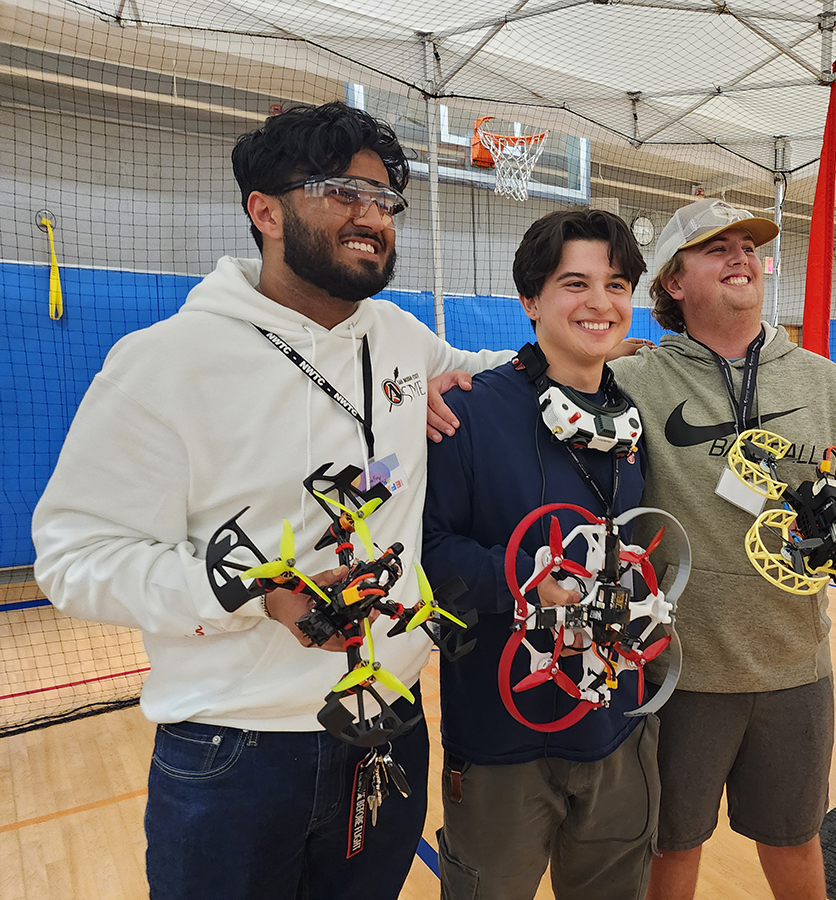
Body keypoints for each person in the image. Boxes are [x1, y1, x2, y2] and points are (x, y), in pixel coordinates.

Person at [31, 101, 509, 900]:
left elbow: (500, 371)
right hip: (237, 753)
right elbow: (74, 557)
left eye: (386, 199)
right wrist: (252, 594)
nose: (372, 215)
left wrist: (634, 345)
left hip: (390, 729)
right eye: (341, 192)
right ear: (265, 210)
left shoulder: (397, 338)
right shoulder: (164, 362)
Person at [606, 198, 836, 900]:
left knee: (793, 842)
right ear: (674, 281)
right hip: (677, 671)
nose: (741, 257)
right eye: (715, 248)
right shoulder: (632, 382)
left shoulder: (825, 381)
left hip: (794, 665)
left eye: (748, 246)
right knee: (669, 850)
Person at [421, 209, 660, 900]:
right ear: (530, 300)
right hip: (502, 748)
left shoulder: (630, 417)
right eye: (574, 282)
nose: (599, 303)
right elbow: (430, 556)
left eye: (616, 284)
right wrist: (523, 578)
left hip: (618, 730)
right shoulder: (467, 412)